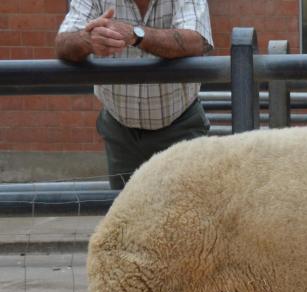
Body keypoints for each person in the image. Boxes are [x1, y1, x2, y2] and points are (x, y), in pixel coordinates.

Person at [55, 1, 213, 189]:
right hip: (120, 132)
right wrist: (88, 39)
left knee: (185, 215)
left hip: (180, 125)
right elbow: (63, 43)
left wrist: (136, 34)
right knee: (125, 216)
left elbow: (196, 40)